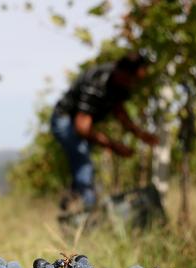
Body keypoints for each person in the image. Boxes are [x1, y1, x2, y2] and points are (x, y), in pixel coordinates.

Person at [50, 53, 159, 214]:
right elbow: (82, 127)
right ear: (122, 73)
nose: (134, 85)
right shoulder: (96, 84)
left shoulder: (121, 84)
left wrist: (140, 134)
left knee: (81, 168)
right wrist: (113, 146)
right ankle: (90, 214)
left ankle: (68, 210)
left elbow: (119, 111)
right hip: (65, 121)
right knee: (83, 163)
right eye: (132, 80)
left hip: (81, 123)